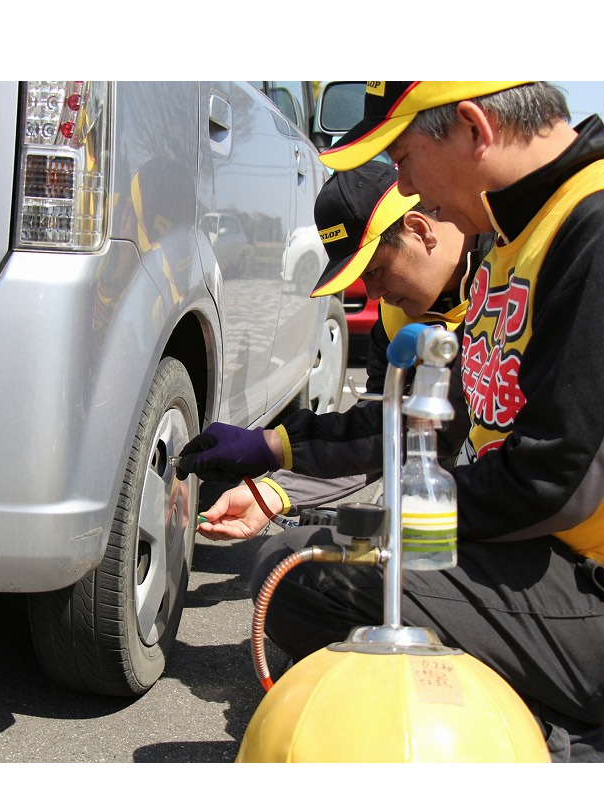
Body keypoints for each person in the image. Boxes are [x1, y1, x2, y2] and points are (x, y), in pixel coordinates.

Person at [184, 82, 604, 762]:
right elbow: (434, 424)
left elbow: (554, 479)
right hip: (555, 556)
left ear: (474, 128)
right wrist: (275, 451)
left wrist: (383, 523)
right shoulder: (513, 244)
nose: (410, 189)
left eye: (404, 159)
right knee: (294, 572)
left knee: (316, 577)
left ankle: (565, 736)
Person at [183, 159, 492, 538]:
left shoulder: (507, 279)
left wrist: (273, 444)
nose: (374, 293)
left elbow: (429, 431)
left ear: (418, 231)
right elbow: (380, 433)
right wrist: (275, 492)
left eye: (374, 271)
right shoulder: (397, 321)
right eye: (362, 279)